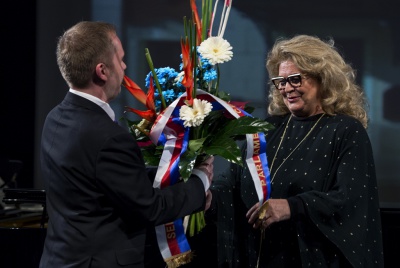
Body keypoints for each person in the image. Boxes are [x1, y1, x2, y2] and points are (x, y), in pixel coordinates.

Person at [39, 21, 214, 268]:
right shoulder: (107, 136)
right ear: (102, 71)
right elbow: (149, 208)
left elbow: (106, 181)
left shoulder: (54, 118)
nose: (124, 66)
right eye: (120, 59)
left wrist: (175, 174)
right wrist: (200, 181)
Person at [211, 34, 384, 267]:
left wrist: (293, 206)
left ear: (323, 78)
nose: (286, 88)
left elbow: (349, 199)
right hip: (260, 257)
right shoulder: (270, 128)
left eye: (295, 79)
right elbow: (234, 179)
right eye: (280, 81)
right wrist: (204, 193)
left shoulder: (345, 130)